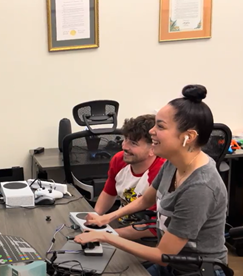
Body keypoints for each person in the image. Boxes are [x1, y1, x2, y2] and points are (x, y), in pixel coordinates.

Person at [74, 85, 228, 276]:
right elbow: (145, 200)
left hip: (196, 271)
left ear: (188, 137)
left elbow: (163, 253)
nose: (152, 131)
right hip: (172, 265)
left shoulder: (200, 187)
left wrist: (107, 236)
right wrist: (106, 218)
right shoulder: (173, 163)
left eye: (160, 126)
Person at [94, 114, 165, 240]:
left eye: (133, 143)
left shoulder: (162, 171)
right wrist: (94, 218)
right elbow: (109, 193)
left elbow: (154, 227)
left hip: (148, 237)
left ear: (152, 149)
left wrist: (108, 235)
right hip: (122, 226)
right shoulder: (119, 160)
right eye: (125, 139)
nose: (124, 146)